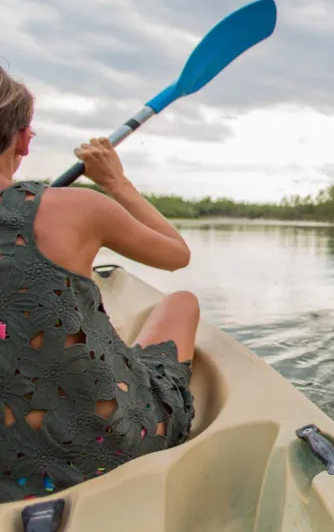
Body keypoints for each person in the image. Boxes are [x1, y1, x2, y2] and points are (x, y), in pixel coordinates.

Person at [0, 66, 200, 502]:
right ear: (23, 140)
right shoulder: (75, 208)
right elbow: (176, 254)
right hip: (111, 446)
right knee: (181, 303)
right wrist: (114, 182)